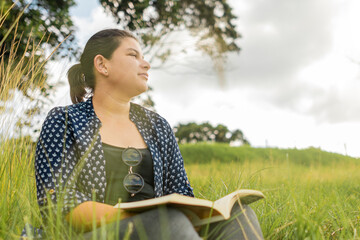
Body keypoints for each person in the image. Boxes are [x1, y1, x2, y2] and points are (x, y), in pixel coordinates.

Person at [25, 29, 264, 239]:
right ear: (102, 65)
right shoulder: (65, 120)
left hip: (167, 229)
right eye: (133, 55)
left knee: (240, 214)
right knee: (168, 222)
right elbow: (57, 201)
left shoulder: (158, 126)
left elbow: (180, 193)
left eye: (143, 56)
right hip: (96, 233)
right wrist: (141, 215)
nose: (146, 63)